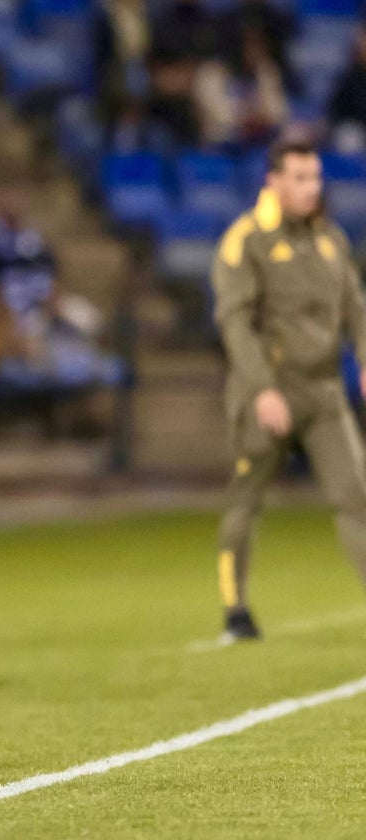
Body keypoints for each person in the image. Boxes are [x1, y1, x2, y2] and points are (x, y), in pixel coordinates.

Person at [210, 138, 366, 642]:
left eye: (315, 178)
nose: (309, 188)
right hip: (269, 392)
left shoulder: (329, 240)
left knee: (356, 498)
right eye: (299, 178)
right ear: (273, 181)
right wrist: (261, 390)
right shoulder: (246, 240)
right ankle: (235, 610)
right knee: (246, 498)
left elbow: (355, 308)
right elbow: (235, 322)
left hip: (323, 394)